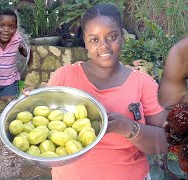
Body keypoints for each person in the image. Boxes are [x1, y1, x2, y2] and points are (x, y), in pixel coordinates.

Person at [46, 3, 167, 180]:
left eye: (112, 37)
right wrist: (27, 104)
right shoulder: (64, 78)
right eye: (94, 39)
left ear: (122, 37)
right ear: (85, 42)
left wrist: (130, 129)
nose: (104, 46)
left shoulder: (142, 83)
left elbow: (166, 140)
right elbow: (42, 123)